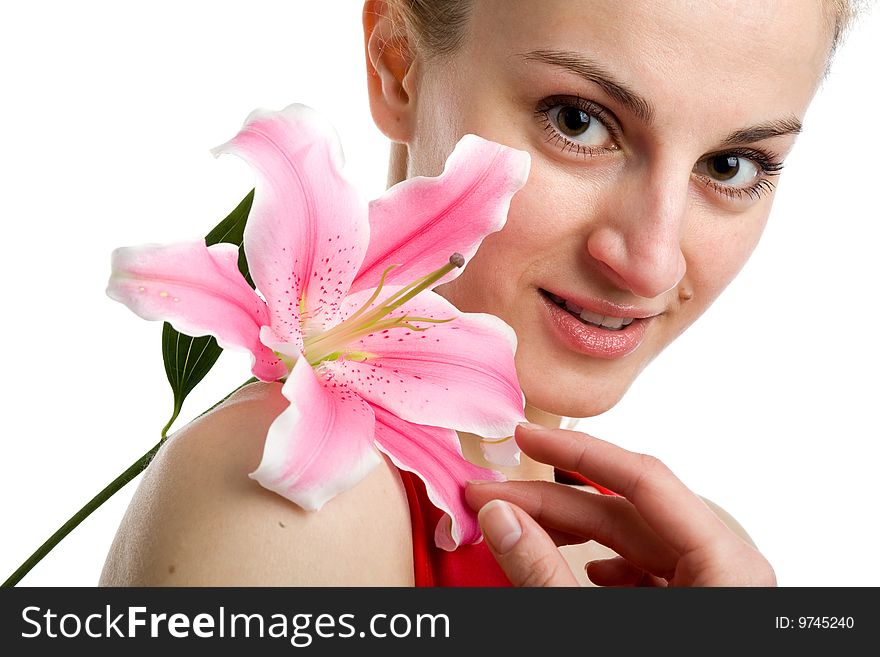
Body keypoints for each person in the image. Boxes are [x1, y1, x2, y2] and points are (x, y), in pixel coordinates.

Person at [97, 0, 855, 587]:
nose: (650, 264)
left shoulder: (687, 556)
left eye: (732, 165)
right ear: (396, 63)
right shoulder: (286, 494)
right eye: (579, 121)